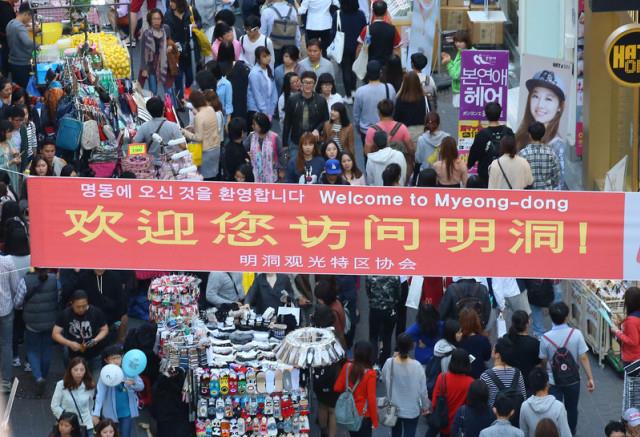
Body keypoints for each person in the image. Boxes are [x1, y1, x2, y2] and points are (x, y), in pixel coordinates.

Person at [539, 301, 594, 435]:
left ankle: (556, 432)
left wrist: (545, 375)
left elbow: (543, 360)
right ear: (566, 317)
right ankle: (571, 432)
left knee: (555, 409)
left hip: (553, 380)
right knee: (572, 408)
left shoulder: (545, 338)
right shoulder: (576, 334)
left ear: (551, 317)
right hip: (573, 379)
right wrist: (590, 378)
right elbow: (583, 357)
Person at [514, 70, 568, 189]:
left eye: (548, 99)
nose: (540, 105)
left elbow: (559, 184)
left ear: (559, 106)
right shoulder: (520, 137)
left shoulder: (557, 146)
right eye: (535, 96)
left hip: (545, 202)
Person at [61, 269, 129, 345]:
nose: (99, 269)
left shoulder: (114, 277)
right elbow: (72, 295)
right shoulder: (84, 278)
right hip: (90, 320)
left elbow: (121, 302)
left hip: (111, 319)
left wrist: (118, 319)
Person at [52, 290, 109, 376]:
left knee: (95, 381)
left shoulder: (96, 312)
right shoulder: (65, 314)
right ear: (72, 304)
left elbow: (104, 329)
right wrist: (69, 343)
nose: (81, 309)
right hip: (74, 355)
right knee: (74, 380)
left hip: (95, 353)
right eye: (78, 307)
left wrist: (95, 340)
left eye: (84, 306)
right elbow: (55, 333)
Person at [381, 334, 428, 437]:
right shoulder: (417, 366)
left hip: (394, 407)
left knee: (395, 433)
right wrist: (425, 406)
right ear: (411, 347)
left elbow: (384, 379)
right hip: (412, 409)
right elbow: (423, 390)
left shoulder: (389, 363)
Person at [92, 346, 145, 437]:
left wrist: (133, 383)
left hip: (126, 411)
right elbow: (100, 394)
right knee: (110, 434)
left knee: (125, 434)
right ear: (106, 360)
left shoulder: (129, 370)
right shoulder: (105, 374)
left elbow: (141, 387)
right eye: (113, 358)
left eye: (118, 357)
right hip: (110, 412)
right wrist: (96, 414)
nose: (116, 361)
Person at [22, 268, 58, 396]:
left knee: (32, 350)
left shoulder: (25, 280)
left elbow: (18, 301)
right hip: (50, 321)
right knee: (47, 349)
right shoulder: (54, 279)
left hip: (32, 323)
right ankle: (44, 375)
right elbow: (58, 297)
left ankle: (38, 377)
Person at [333, 341, 379, 436]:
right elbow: (371, 399)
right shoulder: (371, 374)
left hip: (349, 414)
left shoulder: (347, 366)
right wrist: (375, 420)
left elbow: (337, 388)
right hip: (363, 415)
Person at [312, 304, 344, 437]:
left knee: (321, 404)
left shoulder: (313, 334)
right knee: (332, 410)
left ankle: (323, 432)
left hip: (319, 376)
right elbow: (341, 355)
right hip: (334, 377)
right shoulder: (334, 335)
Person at [467, 102, 514, 188]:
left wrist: (469, 164)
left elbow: (474, 155)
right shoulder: (508, 132)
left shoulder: (482, 134)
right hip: (506, 174)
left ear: (486, 115)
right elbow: (514, 151)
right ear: (500, 114)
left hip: (486, 175)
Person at [430, 348, 474, 437]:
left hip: (444, 423)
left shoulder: (442, 378)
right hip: (460, 426)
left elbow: (434, 403)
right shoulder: (471, 382)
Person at [519, 367, 572, 437]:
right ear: (547, 384)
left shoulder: (525, 406)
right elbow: (565, 434)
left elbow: (524, 433)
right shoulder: (558, 407)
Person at [0, 250, 26, 393]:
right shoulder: (7, 262)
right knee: (6, 345)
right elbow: (16, 286)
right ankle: (5, 381)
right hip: (5, 308)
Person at [353, 61, 396, 145]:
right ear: (380, 72)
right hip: (386, 130)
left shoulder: (360, 91)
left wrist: (359, 128)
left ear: (367, 73)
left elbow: (356, 115)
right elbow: (394, 108)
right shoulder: (389, 88)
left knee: (368, 156)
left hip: (366, 130)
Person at [51, 357, 97, 436]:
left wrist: (91, 416)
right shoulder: (61, 385)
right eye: (75, 370)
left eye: (82, 370)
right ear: (70, 370)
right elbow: (54, 405)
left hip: (85, 424)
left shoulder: (90, 385)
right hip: (67, 426)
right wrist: (65, 419)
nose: (79, 372)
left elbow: (91, 404)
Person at [480, 337, 526, 413]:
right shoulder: (517, 373)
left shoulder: (485, 376)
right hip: (514, 416)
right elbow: (523, 397)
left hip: (495, 417)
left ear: (497, 355)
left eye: (493, 349)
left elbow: (483, 403)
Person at [182, 90, 221, 180]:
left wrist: (184, 131)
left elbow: (198, 138)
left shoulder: (199, 117)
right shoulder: (210, 109)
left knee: (205, 178)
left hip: (206, 151)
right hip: (216, 147)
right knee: (215, 175)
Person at [366, 275, 401, 366]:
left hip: (375, 309)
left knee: (373, 337)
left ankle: (372, 363)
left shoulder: (370, 275)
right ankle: (384, 363)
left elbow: (368, 292)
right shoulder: (395, 277)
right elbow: (398, 295)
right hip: (390, 310)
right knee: (387, 337)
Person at [165, 0, 197, 96]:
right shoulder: (168, 15)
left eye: (173, 1)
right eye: (170, 1)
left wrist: (196, 25)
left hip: (190, 48)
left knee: (190, 76)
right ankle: (179, 100)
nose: (170, 4)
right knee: (178, 77)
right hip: (176, 50)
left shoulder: (190, 11)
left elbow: (199, 22)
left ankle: (187, 90)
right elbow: (168, 33)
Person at [519, 122, 560, 191]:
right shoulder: (551, 153)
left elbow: (520, 176)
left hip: (528, 196)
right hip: (547, 194)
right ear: (543, 135)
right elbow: (556, 176)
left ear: (530, 135)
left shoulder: (523, 154)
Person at [139, 9, 172, 95]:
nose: (156, 21)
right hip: (152, 65)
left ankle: (169, 107)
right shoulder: (146, 34)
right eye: (154, 19)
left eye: (158, 19)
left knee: (168, 90)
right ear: (150, 20)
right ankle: (155, 107)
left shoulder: (166, 29)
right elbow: (143, 53)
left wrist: (169, 47)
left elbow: (169, 42)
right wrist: (144, 69)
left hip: (165, 63)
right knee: (153, 91)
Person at [244, 112, 285, 183]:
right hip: (255, 174)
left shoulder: (274, 137)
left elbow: (281, 154)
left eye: (254, 124)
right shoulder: (251, 136)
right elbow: (243, 149)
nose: (252, 126)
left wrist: (281, 169)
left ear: (261, 125)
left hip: (272, 173)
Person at [339, 0, 366, 103]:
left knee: (345, 69)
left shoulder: (339, 14)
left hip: (343, 46)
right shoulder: (361, 14)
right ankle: (354, 89)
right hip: (357, 46)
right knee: (354, 67)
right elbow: (365, 29)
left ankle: (348, 96)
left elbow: (333, 31)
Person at [357, 0, 401, 65]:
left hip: (370, 66)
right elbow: (396, 50)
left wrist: (358, 62)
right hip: (387, 66)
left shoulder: (367, 29)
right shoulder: (393, 30)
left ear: (373, 12)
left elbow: (360, 47)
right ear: (386, 12)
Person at [507, 311, 541, 394]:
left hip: (510, 382)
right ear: (528, 322)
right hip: (528, 383)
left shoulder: (506, 340)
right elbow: (539, 363)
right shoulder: (534, 343)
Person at [6, 4, 37, 88]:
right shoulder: (20, 26)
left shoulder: (10, 23)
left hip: (13, 62)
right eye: (30, 17)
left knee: (17, 89)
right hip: (21, 64)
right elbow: (27, 42)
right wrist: (37, 46)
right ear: (26, 14)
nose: (29, 20)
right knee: (24, 89)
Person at [260, 0, 301, 65]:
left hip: (273, 49)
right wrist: (298, 48)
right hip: (290, 48)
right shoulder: (292, 9)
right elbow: (297, 33)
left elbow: (263, 34)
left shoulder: (267, 11)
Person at [394, 72, 428, 146]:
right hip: (421, 134)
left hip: (404, 135)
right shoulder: (423, 99)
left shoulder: (400, 100)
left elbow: (396, 119)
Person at [247, 46, 279, 121]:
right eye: (264, 56)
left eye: (268, 55)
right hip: (256, 110)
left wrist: (271, 111)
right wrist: (264, 112)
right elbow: (257, 95)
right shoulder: (254, 73)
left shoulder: (269, 69)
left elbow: (274, 92)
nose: (268, 58)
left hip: (268, 110)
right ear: (258, 59)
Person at [458, 308, 492, 378]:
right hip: (479, 376)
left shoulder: (459, 340)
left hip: (463, 376)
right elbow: (487, 357)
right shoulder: (483, 340)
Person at [441, 30, 471, 108]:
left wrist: (448, 63)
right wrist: (450, 60)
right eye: (456, 41)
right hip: (464, 90)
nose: (457, 44)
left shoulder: (468, 55)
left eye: (461, 42)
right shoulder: (461, 52)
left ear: (467, 42)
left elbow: (456, 75)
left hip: (464, 91)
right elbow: (456, 68)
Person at [612, 286, 640, 366]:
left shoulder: (631, 321)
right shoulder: (635, 316)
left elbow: (633, 341)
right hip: (636, 357)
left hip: (632, 358)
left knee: (630, 378)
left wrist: (617, 332)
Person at [0, 120, 20, 195]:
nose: (11, 134)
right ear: (2, 132)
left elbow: (16, 157)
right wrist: (10, 163)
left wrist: (17, 156)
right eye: (9, 132)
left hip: (13, 174)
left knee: (14, 194)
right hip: (3, 178)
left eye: (11, 131)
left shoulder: (10, 141)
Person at [0, 0, 17, 78]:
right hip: (6, 39)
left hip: (5, 39)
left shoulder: (6, 5)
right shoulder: (5, 7)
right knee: (6, 59)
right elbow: (9, 26)